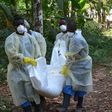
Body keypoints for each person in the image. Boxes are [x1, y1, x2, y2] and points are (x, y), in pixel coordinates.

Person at [5, 16, 46, 112]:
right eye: (17, 24)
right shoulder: (10, 39)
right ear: (14, 26)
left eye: (21, 24)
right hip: (16, 71)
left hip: (30, 71)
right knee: (19, 94)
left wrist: (37, 61)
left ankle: (38, 108)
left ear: (24, 24)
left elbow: (38, 52)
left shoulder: (31, 38)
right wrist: (24, 59)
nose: (20, 26)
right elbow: (12, 55)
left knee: (33, 94)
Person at [61, 19, 93, 112]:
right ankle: (64, 107)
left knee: (81, 85)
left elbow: (71, 54)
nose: (69, 32)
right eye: (68, 30)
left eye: (71, 30)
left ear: (74, 30)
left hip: (82, 65)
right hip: (74, 64)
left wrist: (66, 64)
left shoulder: (77, 39)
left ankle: (79, 106)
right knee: (68, 84)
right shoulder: (69, 36)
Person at [24, 19, 47, 111]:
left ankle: (40, 103)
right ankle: (33, 103)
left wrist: (40, 60)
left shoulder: (37, 36)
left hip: (37, 63)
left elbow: (43, 48)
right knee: (29, 85)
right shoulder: (20, 37)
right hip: (26, 64)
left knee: (37, 83)